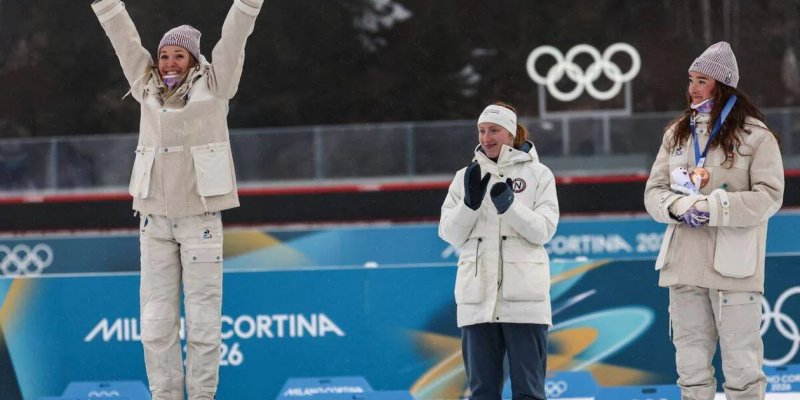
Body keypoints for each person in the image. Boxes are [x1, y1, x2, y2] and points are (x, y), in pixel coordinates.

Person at [92, 0, 263, 398]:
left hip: (200, 221)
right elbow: (123, 39)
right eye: (164, 55)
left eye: (178, 55)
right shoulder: (144, 86)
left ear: (193, 59)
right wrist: (105, 5)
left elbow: (234, 38)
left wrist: (247, 5)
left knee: (203, 322)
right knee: (155, 323)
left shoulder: (216, 85)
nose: (169, 63)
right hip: (153, 221)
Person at [644, 42, 784, 399]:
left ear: (722, 85)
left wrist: (715, 209)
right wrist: (678, 207)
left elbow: (770, 197)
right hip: (684, 264)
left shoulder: (756, 137)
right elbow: (653, 193)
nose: (692, 88)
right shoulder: (676, 133)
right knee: (690, 370)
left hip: (733, 268)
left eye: (701, 80)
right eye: (690, 79)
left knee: (742, 371)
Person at [439, 102, 559, 400]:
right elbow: (450, 234)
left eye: (494, 130)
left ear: (512, 133)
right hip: (477, 302)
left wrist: (510, 207)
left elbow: (543, 231)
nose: (486, 138)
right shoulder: (463, 177)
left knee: (529, 393)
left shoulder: (539, 175)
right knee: (482, 393)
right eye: (481, 131)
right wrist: (469, 205)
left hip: (525, 302)